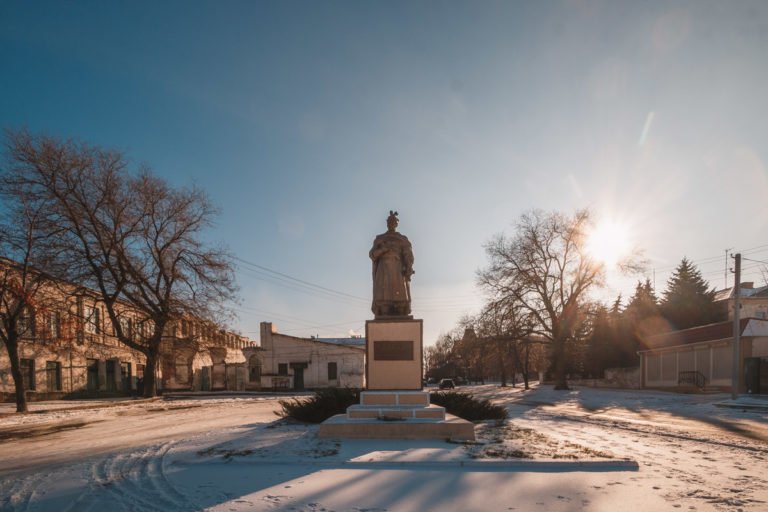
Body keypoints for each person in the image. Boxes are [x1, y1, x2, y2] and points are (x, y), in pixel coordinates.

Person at [369, 211, 414, 317]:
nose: (391, 223)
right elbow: (372, 254)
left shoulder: (402, 239)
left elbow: (408, 255)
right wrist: (382, 250)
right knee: (384, 295)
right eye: (389, 221)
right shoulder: (380, 238)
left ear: (397, 224)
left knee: (400, 296)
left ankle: (400, 310)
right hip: (383, 268)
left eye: (393, 221)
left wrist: (408, 266)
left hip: (398, 269)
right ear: (387, 223)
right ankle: (384, 310)